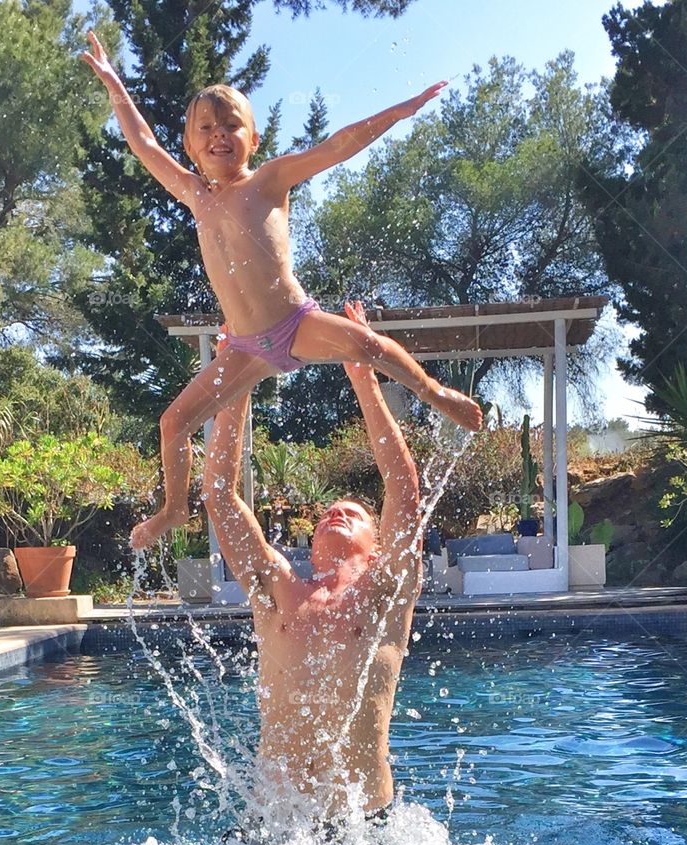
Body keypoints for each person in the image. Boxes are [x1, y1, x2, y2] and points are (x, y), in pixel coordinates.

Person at [80, 33, 483, 551]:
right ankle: (174, 508)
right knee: (172, 423)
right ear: (189, 144)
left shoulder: (269, 180)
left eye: (231, 125)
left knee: (368, 346)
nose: (218, 135)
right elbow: (142, 143)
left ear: (253, 138)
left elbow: (338, 145)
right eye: (205, 128)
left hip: (296, 323)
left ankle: (437, 393)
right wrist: (117, 87)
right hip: (245, 348)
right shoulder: (194, 194)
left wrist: (400, 111)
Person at [202, 301, 423, 832]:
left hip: (362, 828)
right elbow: (220, 496)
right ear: (312, 542)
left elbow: (405, 490)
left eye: (355, 513)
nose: (339, 511)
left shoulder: (384, 589)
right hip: (273, 823)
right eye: (329, 512)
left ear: (376, 546)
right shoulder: (279, 589)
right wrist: (240, 378)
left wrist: (364, 378)